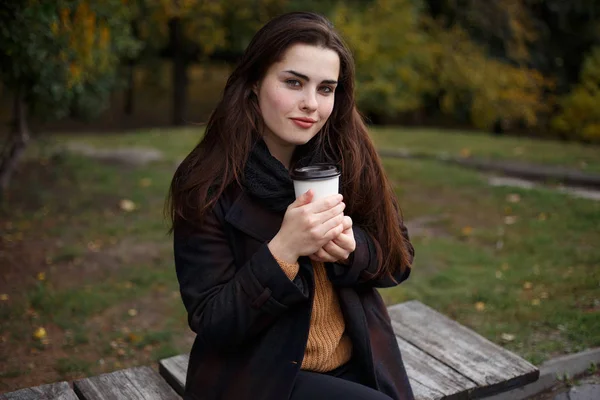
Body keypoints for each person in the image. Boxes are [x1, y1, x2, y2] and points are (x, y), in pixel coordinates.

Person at [168, 11, 415, 400]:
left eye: (326, 88)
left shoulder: (348, 156)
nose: (311, 105)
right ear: (253, 83)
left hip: (356, 363)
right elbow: (213, 321)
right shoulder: (207, 182)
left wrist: (353, 252)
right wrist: (283, 250)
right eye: (293, 82)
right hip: (260, 378)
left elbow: (400, 261)